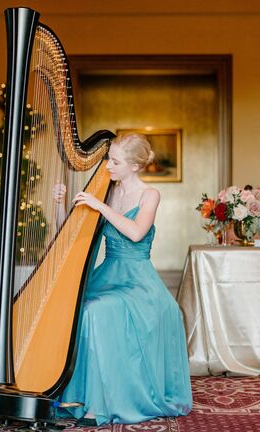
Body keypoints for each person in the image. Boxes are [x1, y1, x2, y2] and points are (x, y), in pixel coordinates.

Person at [53, 133, 192, 425]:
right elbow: (71, 235)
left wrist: (99, 206)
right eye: (108, 159)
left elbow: (136, 232)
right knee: (75, 306)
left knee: (94, 310)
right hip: (108, 273)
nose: (108, 166)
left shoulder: (149, 195)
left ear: (135, 166)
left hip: (137, 280)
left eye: (115, 161)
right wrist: (61, 204)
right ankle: (71, 393)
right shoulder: (106, 191)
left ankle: (97, 405)